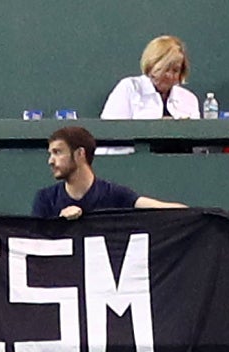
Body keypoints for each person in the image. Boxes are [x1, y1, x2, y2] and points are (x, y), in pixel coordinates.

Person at [30, 126, 183, 219]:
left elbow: (160, 208)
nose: (51, 160)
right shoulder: (45, 199)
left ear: (79, 154)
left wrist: (200, 218)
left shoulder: (114, 195)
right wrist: (59, 224)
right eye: (51, 153)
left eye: (57, 152)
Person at [100, 36, 199, 120]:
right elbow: (112, 133)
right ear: (152, 66)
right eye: (165, 69)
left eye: (175, 70)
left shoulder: (189, 99)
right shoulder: (129, 88)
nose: (169, 75)